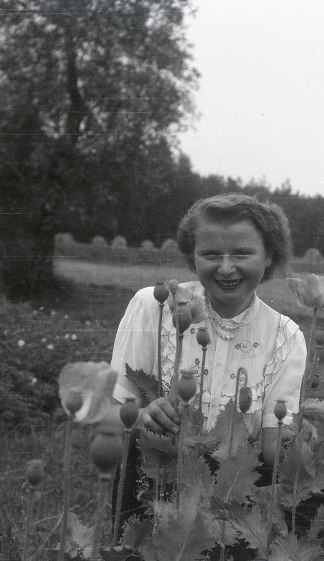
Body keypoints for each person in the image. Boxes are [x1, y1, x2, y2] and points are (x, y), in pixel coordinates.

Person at [108, 192, 307, 462]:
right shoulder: (155, 307)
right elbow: (110, 416)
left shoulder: (286, 337)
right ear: (193, 256)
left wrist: (295, 441)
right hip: (152, 478)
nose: (226, 268)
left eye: (242, 253)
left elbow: (273, 450)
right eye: (211, 254)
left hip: (232, 492)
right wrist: (143, 418)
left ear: (269, 255)